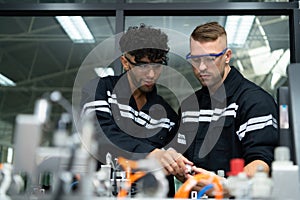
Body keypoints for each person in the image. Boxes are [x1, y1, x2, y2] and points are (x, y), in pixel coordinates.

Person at [80, 23, 192, 197]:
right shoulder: (100, 90)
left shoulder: (167, 116)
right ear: (125, 62)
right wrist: (150, 154)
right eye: (143, 66)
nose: (151, 75)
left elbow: (170, 158)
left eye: (157, 66)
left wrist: (174, 162)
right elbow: (99, 135)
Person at [177, 21, 279, 185]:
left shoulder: (254, 102)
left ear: (227, 56)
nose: (202, 67)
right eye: (196, 59)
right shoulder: (189, 106)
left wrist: (225, 187)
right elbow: (180, 155)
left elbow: (261, 163)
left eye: (210, 58)